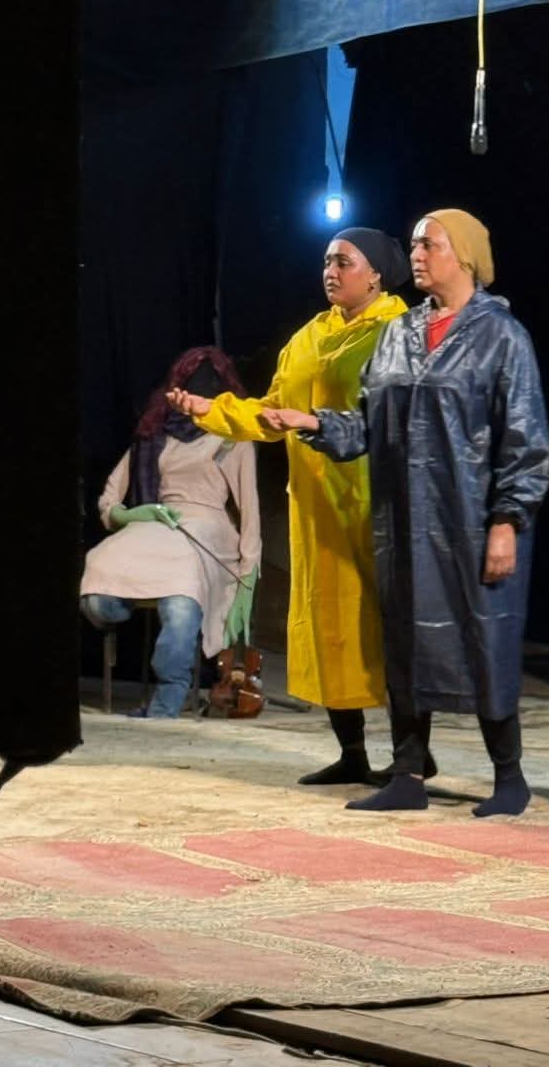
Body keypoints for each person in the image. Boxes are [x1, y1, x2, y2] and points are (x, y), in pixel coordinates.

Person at [262, 209, 549, 817]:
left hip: (471, 521)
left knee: (485, 640)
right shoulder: (400, 334)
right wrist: (312, 421)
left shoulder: (502, 336)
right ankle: (408, 775)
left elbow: (525, 439)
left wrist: (508, 520)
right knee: (405, 645)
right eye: (415, 245)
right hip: (403, 523)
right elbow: (369, 424)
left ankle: (510, 777)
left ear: (464, 255)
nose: (416, 255)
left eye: (429, 245)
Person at [168, 229, 410, 784]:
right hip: (316, 507)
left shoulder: (398, 332)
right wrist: (210, 409)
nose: (330, 271)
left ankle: (411, 758)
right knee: (329, 626)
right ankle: (353, 753)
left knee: (385, 632)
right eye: (326, 261)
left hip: (374, 503)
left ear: (376, 274)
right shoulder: (308, 337)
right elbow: (272, 413)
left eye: (344, 262)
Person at [81, 347, 261, 718]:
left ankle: (167, 700)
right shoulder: (155, 433)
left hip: (206, 527)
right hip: (156, 522)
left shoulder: (232, 436)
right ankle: (124, 604)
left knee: (181, 593)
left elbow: (250, 508)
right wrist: (131, 515)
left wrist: (248, 576)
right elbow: (110, 498)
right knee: (97, 573)